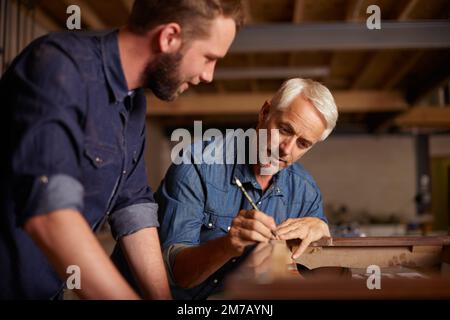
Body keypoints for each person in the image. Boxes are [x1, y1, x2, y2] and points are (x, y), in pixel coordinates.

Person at [0, 0, 243, 299]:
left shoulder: (133, 102)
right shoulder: (58, 67)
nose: (209, 75)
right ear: (169, 37)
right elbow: (51, 215)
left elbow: (132, 206)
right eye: (209, 57)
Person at [155, 78, 338, 299]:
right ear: (265, 112)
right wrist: (228, 245)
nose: (286, 149)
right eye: (284, 129)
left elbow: (319, 274)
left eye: (303, 144)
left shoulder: (305, 191)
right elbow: (176, 274)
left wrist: (322, 232)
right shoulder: (196, 166)